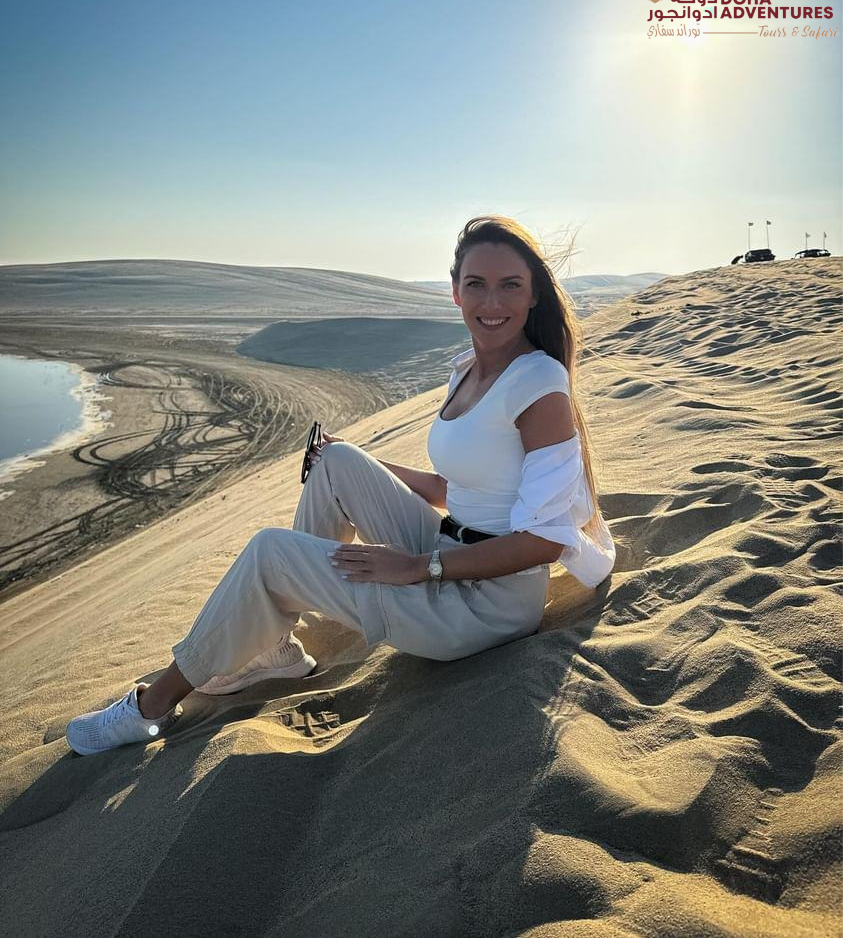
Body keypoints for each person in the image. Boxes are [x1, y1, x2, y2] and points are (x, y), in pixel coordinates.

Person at [66, 215, 616, 755]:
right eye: (477, 284)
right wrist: (364, 466)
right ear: (454, 292)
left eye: (509, 286)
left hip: (486, 604)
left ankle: (150, 707)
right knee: (338, 463)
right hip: (451, 545)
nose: (491, 303)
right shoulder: (467, 368)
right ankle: (275, 643)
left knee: (270, 553)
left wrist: (419, 568)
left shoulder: (539, 382)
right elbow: (465, 488)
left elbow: (546, 542)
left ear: (533, 297)